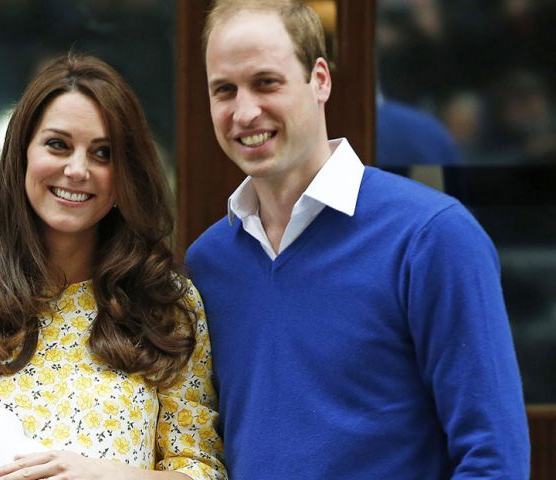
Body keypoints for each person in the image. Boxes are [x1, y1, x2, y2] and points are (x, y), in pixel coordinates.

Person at [186, 1, 530, 478]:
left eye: (266, 82)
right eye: (224, 90)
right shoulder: (208, 263)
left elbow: (494, 459)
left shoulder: (432, 237)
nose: (244, 111)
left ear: (320, 80)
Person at [0, 54, 225, 480]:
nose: (77, 169)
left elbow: (200, 471)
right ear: (22, 155)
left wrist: (104, 475)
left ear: (125, 175)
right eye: (58, 145)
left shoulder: (165, 308)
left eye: (102, 153)